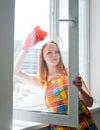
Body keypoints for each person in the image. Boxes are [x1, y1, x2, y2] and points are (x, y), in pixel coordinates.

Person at [14, 26, 98, 130]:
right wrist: (26, 48)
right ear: (43, 57)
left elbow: (89, 103)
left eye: (56, 51)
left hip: (83, 124)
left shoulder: (70, 72)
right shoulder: (41, 80)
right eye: (49, 52)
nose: (54, 55)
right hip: (60, 127)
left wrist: (80, 88)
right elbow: (16, 72)